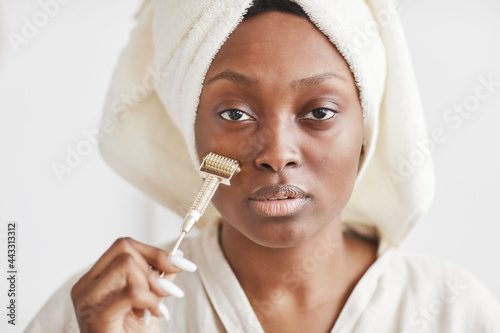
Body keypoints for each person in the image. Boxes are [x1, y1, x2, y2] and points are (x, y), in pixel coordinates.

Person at [26, 0, 500, 332]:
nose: (276, 153)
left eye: (319, 112)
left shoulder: (454, 312)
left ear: (367, 128)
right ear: (189, 128)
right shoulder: (101, 314)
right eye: (234, 113)